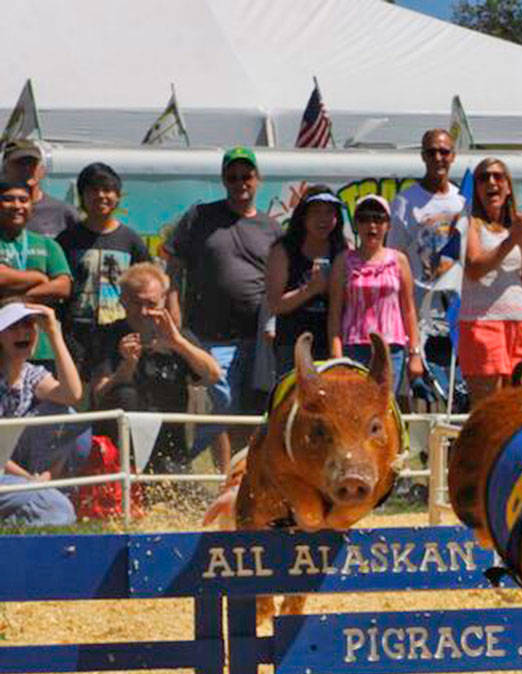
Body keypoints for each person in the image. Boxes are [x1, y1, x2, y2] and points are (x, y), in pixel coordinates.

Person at [164, 147, 282, 471]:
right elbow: (173, 265)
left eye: (246, 176)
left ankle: (239, 477)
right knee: (224, 403)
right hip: (210, 335)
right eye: (232, 177)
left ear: (258, 180)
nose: (240, 182)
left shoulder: (272, 228)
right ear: (223, 180)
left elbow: (280, 279)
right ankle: (189, 463)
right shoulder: (200, 217)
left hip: (258, 338)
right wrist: (173, 310)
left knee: (249, 412)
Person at [90, 263, 221, 473]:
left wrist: (177, 342)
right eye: (136, 302)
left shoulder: (179, 337)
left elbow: (213, 375)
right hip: (120, 453)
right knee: (126, 393)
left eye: (150, 303)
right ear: (123, 300)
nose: (143, 312)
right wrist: (127, 367)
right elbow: (99, 395)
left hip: (170, 451)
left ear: (163, 300)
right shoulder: (107, 336)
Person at [455, 159, 522, 404]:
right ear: (476, 188)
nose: (492, 182)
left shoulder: (517, 227)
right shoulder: (469, 222)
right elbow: (474, 268)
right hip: (482, 322)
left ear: (508, 187)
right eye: (484, 178)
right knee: (490, 405)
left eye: (498, 177)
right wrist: (512, 240)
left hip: (520, 321)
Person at [55, 162, 150, 372]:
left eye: (107, 190)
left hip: (118, 331)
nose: (101, 196)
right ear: (82, 196)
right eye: (93, 190)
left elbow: (147, 284)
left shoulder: (130, 240)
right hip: (74, 332)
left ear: (117, 196)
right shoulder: (67, 239)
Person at [388, 129, 466, 375]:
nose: (438, 158)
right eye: (431, 152)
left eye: (444, 152)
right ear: (423, 156)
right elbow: (394, 259)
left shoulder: (463, 200)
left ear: (453, 156)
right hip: (420, 314)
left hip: (458, 310)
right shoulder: (405, 202)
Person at [328, 195, 422, 395]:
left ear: (387, 225)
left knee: (383, 405)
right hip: (353, 346)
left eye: (378, 219)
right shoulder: (343, 261)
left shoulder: (399, 260)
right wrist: (336, 352)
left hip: (391, 348)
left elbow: (408, 309)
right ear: (356, 224)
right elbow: (335, 311)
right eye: (364, 218)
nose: (372, 225)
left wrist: (415, 353)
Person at [0, 300, 82, 526]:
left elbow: (72, 394)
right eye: (13, 327)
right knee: (57, 508)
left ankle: (42, 499)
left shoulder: (31, 375)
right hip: (10, 474)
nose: (23, 333)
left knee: (69, 414)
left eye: (29, 325)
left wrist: (54, 334)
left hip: (18, 475)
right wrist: (32, 482)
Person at [265, 185, 346, 376]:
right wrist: (309, 290)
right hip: (292, 345)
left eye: (329, 213)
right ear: (303, 216)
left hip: (330, 343)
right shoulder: (284, 250)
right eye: (316, 212)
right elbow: (275, 304)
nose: (323, 219)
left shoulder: (342, 250)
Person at [0, 181, 71, 370]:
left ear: (31, 206)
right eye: (8, 199)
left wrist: (18, 299)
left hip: (42, 349)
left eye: (23, 200)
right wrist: (37, 278)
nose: (17, 206)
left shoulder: (48, 245)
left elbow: (63, 286)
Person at [1, 141, 77, 237]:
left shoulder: (64, 212)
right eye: (20, 163)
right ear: (4, 169)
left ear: (42, 170)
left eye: (32, 163)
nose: (27, 168)